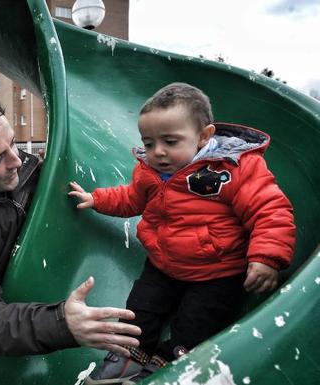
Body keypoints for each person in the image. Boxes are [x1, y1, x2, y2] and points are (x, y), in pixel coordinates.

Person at [68, 83, 295, 385]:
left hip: (217, 272)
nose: (157, 152)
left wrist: (267, 257)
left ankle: (169, 362)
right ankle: (129, 355)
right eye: (149, 144)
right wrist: (97, 199)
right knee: (140, 308)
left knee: (196, 322)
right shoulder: (149, 171)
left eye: (170, 142)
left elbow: (269, 209)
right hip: (164, 265)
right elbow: (132, 198)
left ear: (204, 136)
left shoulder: (233, 169)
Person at [0, 91, 141, 360]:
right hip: (18, 346)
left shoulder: (30, 172)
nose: (17, 160)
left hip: (62, 307)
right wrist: (61, 323)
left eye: (13, 143)